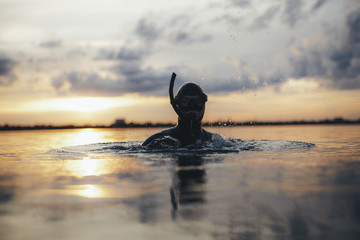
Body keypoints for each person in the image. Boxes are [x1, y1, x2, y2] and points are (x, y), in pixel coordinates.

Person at [142, 72, 221, 147]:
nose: (192, 106)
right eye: (185, 101)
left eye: (198, 101)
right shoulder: (157, 141)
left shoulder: (215, 141)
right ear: (176, 105)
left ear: (204, 104)